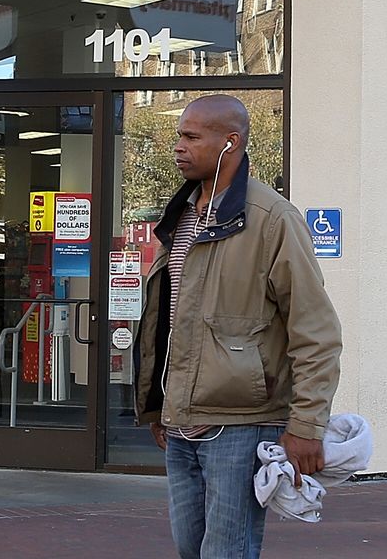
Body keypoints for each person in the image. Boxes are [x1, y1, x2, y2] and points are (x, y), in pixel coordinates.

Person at [136, 94, 341, 559]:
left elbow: (317, 333)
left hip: (242, 427)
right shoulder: (182, 216)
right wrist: (163, 404)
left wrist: (307, 424)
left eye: (191, 136)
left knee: (226, 552)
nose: (178, 147)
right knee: (192, 549)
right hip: (182, 425)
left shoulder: (273, 219)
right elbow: (168, 320)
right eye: (179, 136)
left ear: (230, 143)